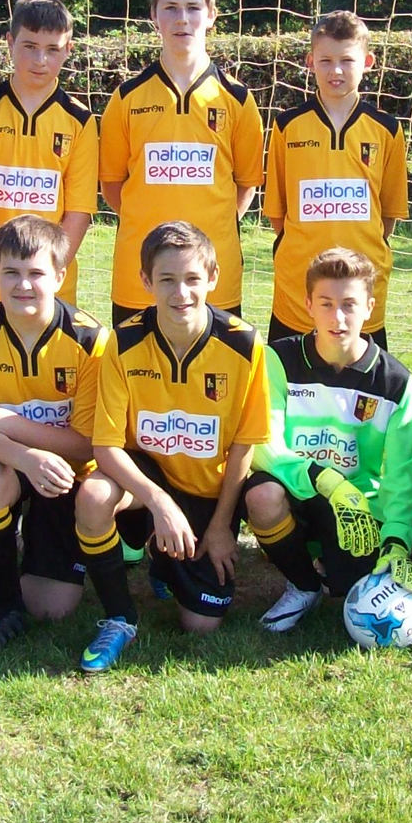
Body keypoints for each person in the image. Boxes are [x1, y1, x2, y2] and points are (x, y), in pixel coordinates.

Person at [73, 222, 271, 671]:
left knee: (201, 622)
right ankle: (119, 618)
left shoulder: (244, 344)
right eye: (166, 280)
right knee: (94, 494)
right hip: (145, 482)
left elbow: (244, 445)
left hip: (207, 493)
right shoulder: (122, 342)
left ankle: (166, 563)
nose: (180, 293)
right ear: (146, 281)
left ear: (213, 278)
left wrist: (222, 526)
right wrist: (159, 503)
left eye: (192, 279)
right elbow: (105, 446)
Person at [244, 247, 412, 634]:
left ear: (370, 307)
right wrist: (326, 479)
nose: (338, 317)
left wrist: (397, 539)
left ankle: (336, 567)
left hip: (357, 508)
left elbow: (404, 475)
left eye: (349, 304)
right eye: (326, 303)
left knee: (347, 589)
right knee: (261, 495)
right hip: (301, 489)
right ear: (308, 304)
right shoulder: (278, 360)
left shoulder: (395, 382)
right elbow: (262, 442)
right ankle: (302, 583)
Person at [0, 215, 111, 657]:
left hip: (67, 474)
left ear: (60, 275)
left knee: (52, 609)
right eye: (11, 273)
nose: (24, 285)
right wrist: (26, 458)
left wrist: (4, 423)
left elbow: (86, 443)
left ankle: (31, 548)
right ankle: (4, 608)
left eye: (37, 273)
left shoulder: (91, 339)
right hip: (12, 463)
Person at [98, 0, 264, 324]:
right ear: (155, 17)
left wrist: (212, 224)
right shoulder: (126, 98)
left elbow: (247, 183)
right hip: (138, 275)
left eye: (193, 8)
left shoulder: (236, 99)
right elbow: (111, 185)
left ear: (211, 16)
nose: (182, 19)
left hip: (213, 276)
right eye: (171, 8)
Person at [262, 12, 409, 346]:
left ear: (368, 61)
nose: (336, 70)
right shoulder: (287, 126)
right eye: (326, 60)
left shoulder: (386, 129)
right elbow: (277, 211)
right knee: (289, 391)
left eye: (347, 60)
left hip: (363, 284)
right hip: (297, 289)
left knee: (363, 391)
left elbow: (388, 213)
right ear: (311, 61)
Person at [0, 0, 98, 307]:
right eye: (29, 46)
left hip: (48, 285)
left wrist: (43, 273)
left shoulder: (80, 121)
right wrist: (5, 271)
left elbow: (78, 212)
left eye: (52, 49)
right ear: (10, 42)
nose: (40, 60)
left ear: (68, 50)